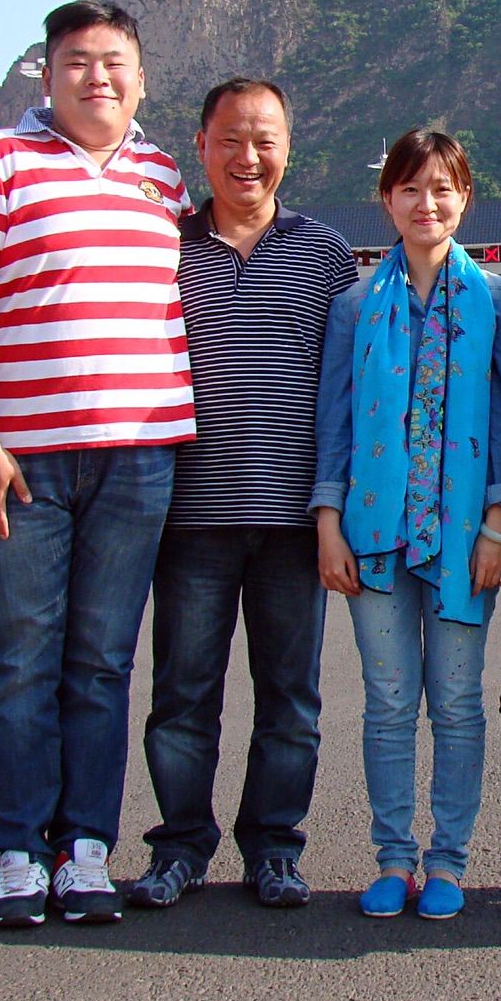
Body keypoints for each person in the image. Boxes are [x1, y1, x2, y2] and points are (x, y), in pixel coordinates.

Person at [0, 0, 194, 928]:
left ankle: (85, 849)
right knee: (19, 658)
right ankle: (17, 850)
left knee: (99, 664)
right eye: (76, 61)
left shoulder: (162, 174)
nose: (97, 77)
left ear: (142, 76)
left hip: (138, 459)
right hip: (26, 460)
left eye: (114, 61)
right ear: (46, 75)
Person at [125, 77, 356, 913]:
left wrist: (337, 511)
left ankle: (274, 848)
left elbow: (348, 393)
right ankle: (181, 845)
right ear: (201, 147)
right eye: (230, 139)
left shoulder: (325, 254)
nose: (247, 157)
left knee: (290, 699)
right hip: (188, 519)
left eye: (264, 139)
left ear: (288, 148)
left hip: (296, 522)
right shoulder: (163, 249)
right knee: (183, 695)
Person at [310, 129, 501, 921]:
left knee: (459, 702)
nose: (426, 203)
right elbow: (332, 419)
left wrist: (498, 526)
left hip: (466, 535)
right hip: (373, 531)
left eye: (443, 188)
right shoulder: (354, 306)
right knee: (389, 701)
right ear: (387, 200)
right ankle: (393, 857)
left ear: (465, 197)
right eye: (410, 188)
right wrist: (328, 521)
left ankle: (448, 859)